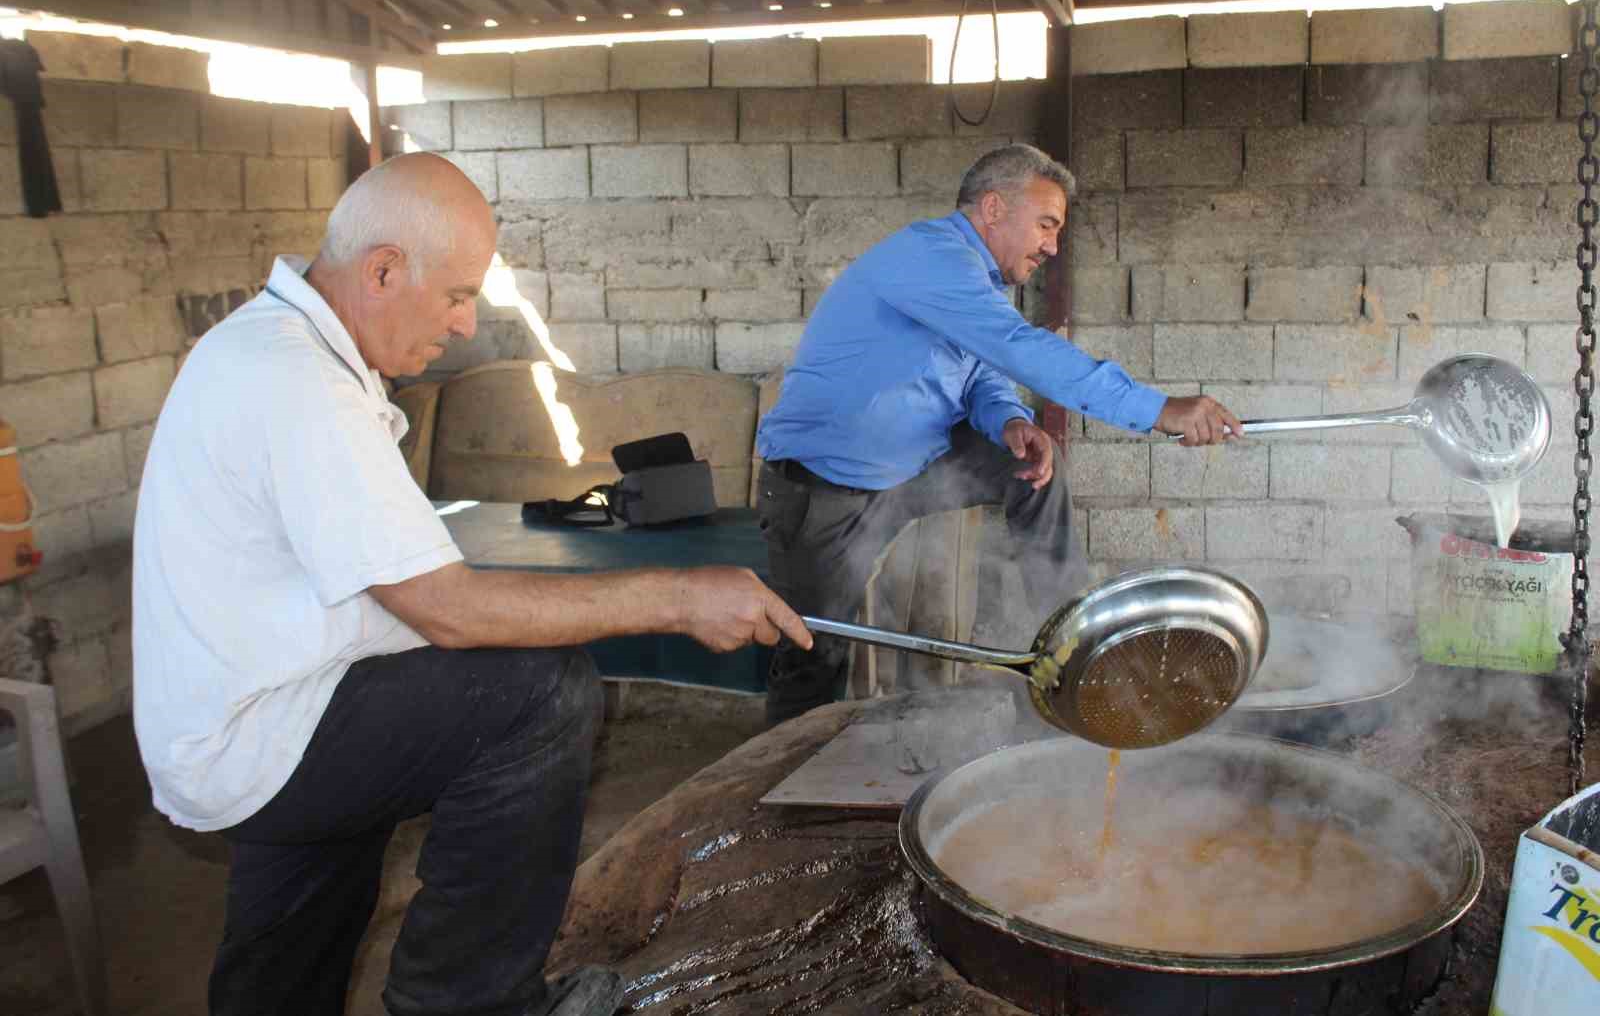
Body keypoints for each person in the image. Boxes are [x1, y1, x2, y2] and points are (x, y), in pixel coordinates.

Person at [131, 152, 811, 1016]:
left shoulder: (274, 346)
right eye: (456, 295)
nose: (462, 326)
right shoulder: (296, 384)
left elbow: (404, 586)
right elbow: (447, 608)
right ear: (382, 270)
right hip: (263, 724)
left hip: (262, 699)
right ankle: (474, 1004)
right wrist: (680, 595)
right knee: (535, 693)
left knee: (306, 908)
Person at [754, 143, 1239, 726]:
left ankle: (1071, 648)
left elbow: (982, 370)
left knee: (1034, 468)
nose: (1052, 246)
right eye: (1045, 225)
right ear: (992, 209)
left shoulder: (974, 283)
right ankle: (778, 793)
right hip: (824, 488)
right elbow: (1016, 347)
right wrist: (1157, 409)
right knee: (811, 650)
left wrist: (1009, 420)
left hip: (914, 469)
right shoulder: (928, 258)